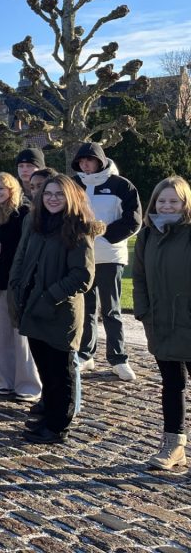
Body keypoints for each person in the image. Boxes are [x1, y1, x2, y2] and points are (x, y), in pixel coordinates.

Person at [9, 175, 100, 444]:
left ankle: (59, 424)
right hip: (32, 306)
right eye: (48, 193)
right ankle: (48, 416)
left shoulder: (78, 228)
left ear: (70, 196)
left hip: (59, 311)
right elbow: (21, 257)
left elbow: (82, 275)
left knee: (61, 371)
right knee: (45, 370)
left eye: (59, 194)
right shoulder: (35, 223)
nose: (52, 198)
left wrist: (50, 296)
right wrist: (16, 287)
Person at [133, 176, 191, 470]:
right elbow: (139, 278)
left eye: (174, 201)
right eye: (162, 201)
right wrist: (143, 312)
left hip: (188, 321)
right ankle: (173, 445)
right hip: (160, 322)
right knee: (172, 384)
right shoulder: (146, 236)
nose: (167, 206)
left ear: (185, 204)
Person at [71, 142, 141, 381]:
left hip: (110, 256)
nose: (85, 165)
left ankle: (118, 358)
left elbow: (133, 220)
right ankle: (85, 354)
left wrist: (106, 234)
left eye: (88, 160)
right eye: (81, 161)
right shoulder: (74, 184)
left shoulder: (121, 185)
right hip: (82, 256)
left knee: (111, 309)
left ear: (100, 160)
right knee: (87, 308)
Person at [0, 173, 40, 403]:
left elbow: (24, 249)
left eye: (1, 188)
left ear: (11, 189)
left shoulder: (22, 214)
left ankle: (28, 384)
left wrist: (2, 253)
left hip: (17, 284)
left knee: (20, 337)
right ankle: (5, 380)